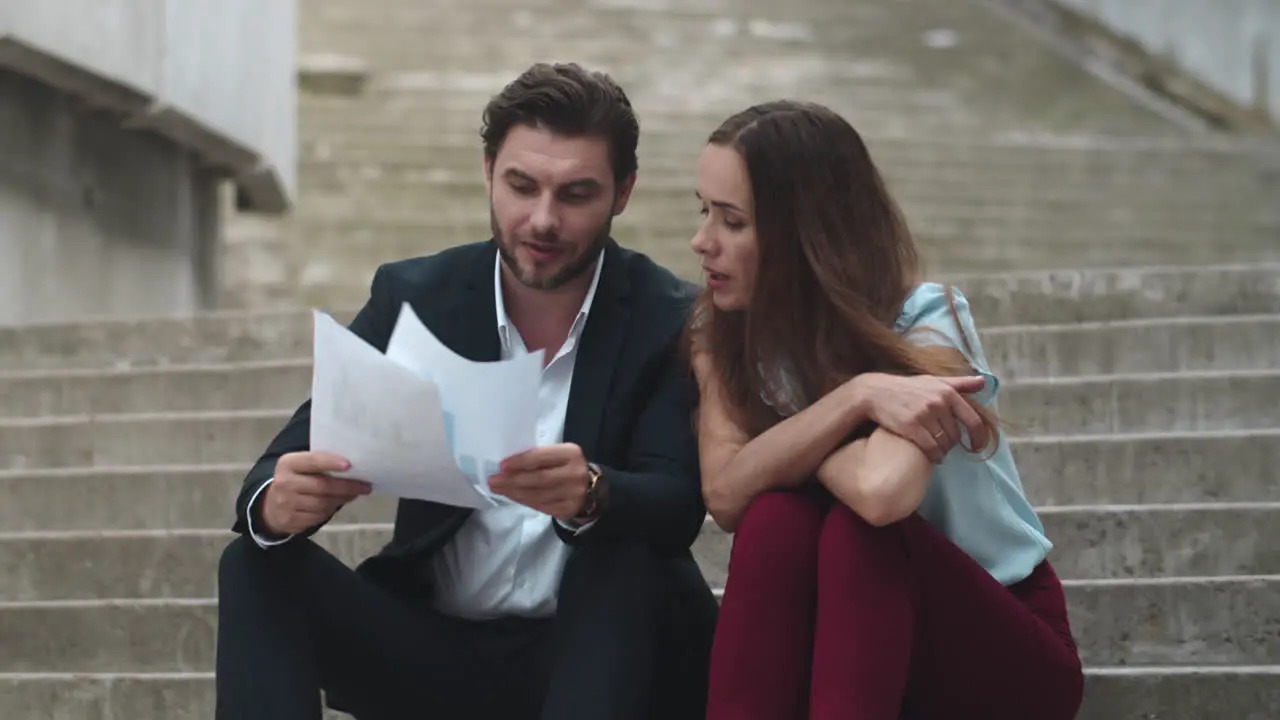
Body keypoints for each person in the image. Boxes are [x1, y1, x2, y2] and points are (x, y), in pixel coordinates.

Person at [215, 62, 718, 720]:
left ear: (622, 194)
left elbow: (678, 501)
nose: (542, 219)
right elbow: (284, 457)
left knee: (624, 551)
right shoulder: (417, 298)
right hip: (432, 648)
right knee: (252, 561)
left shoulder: (667, 316)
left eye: (575, 194)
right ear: (488, 172)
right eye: (521, 185)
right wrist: (277, 506)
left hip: (595, 656)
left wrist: (593, 493)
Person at [687, 100, 1085, 719]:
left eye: (733, 221)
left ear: (805, 233)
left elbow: (882, 491)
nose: (701, 241)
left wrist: (784, 450)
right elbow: (727, 496)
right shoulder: (724, 340)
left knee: (853, 530)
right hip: (849, 656)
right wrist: (857, 397)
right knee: (777, 522)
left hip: (994, 650)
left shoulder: (929, 323)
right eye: (703, 211)